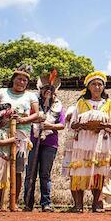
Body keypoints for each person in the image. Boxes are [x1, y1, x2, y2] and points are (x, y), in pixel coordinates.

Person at [0, 65, 39, 210]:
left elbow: (36, 114)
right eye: (19, 79)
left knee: (17, 170)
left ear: (27, 83)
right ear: (13, 80)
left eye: (24, 80)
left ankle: (13, 202)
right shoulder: (1, 92)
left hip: (21, 136)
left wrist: (23, 120)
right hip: (2, 133)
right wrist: (6, 112)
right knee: (0, 167)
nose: (21, 82)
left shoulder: (31, 96)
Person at [70, 71, 111, 212]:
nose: (97, 87)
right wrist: (86, 125)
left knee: (100, 171)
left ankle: (96, 203)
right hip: (83, 143)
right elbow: (73, 124)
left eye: (100, 84)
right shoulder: (81, 103)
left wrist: (101, 125)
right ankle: (78, 204)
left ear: (103, 87)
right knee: (80, 170)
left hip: (101, 143)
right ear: (88, 87)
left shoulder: (109, 104)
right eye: (93, 84)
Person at [23, 70, 65, 212]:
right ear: (40, 90)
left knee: (45, 174)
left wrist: (49, 126)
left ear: (55, 92)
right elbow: (26, 118)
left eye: (51, 89)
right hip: (33, 141)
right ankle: (28, 203)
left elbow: (62, 125)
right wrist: (37, 118)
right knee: (31, 172)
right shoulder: (33, 104)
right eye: (45, 89)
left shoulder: (58, 106)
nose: (48, 91)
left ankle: (46, 203)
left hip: (50, 143)